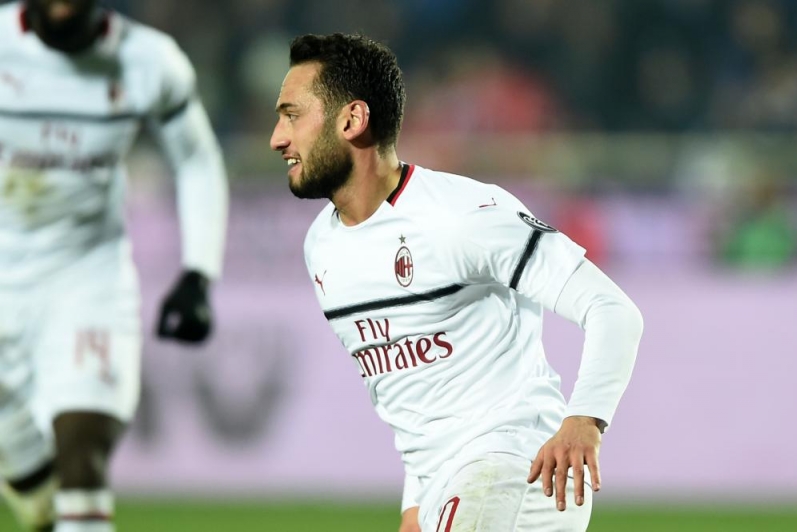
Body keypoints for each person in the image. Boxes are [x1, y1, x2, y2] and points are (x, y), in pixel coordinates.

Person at [270, 33, 643, 532]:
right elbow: (413, 396)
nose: (277, 138)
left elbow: (612, 310)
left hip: (514, 468)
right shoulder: (322, 247)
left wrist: (584, 420)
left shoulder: (462, 215)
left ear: (352, 120)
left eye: (292, 115)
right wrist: (415, 505)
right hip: (448, 489)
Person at [0, 1, 228, 530]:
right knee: (36, 498)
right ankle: (32, 486)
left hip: (87, 277)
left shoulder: (150, 61)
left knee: (82, 451)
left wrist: (199, 272)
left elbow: (196, 158)